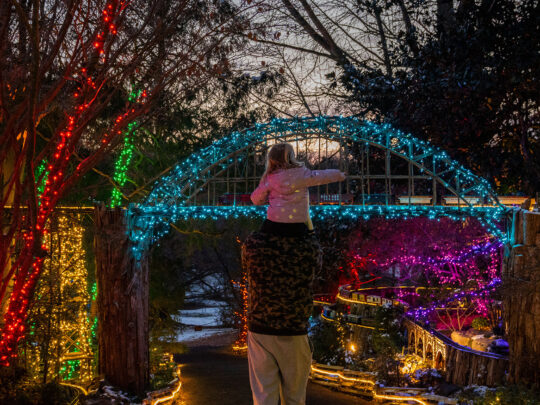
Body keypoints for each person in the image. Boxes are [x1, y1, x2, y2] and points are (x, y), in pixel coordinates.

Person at [242, 143, 345, 405]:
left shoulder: (253, 245)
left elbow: (255, 198)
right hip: (293, 331)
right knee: (294, 399)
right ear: (292, 157)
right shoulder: (308, 248)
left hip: (260, 329)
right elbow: (325, 176)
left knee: (263, 399)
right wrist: (342, 174)